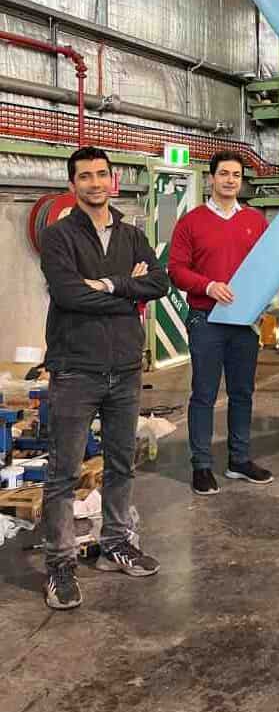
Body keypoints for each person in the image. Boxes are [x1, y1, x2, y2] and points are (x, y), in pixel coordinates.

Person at [39, 146, 170, 610]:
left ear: (113, 181)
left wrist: (111, 285)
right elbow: (69, 295)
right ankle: (60, 563)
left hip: (126, 368)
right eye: (85, 177)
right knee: (64, 473)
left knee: (121, 464)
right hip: (76, 368)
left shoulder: (132, 234)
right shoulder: (59, 238)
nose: (95, 183)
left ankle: (116, 543)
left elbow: (160, 283)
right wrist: (128, 293)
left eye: (102, 175)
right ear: (72, 185)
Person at [169, 150, 272, 496]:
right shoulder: (191, 222)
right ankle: (201, 465)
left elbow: (271, 261)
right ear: (211, 178)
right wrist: (208, 285)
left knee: (243, 393)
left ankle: (239, 460)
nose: (230, 180)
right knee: (204, 394)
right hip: (206, 319)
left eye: (236, 175)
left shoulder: (255, 221)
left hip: (245, 321)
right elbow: (177, 270)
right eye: (224, 173)